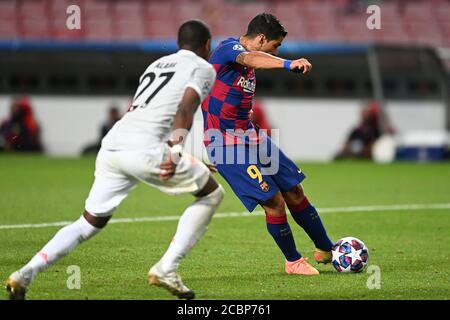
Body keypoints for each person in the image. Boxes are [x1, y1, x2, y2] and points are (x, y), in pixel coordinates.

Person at [6, 20, 224, 300]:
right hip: (146, 149)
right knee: (211, 194)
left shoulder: (157, 64)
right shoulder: (203, 68)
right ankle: (167, 268)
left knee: (88, 223)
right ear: (207, 45)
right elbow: (186, 107)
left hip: (113, 145)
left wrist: (178, 154)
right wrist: (176, 152)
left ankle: (25, 274)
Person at [202, 13, 334, 276]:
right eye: (275, 45)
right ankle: (293, 261)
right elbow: (251, 57)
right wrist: (287, 64)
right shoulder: (228, 48)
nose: (276, 51)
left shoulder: (248, 66)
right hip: (224, 143)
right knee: (273, 201)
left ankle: (326, 248)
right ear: (261, 38)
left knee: (294, 190)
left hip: (250, 136)